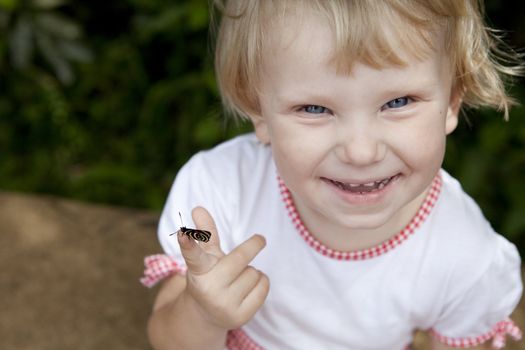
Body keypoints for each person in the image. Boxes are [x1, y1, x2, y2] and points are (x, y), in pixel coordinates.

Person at [141, 1, 524, 349]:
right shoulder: (215, 194)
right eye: (314, 109)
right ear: (258, 111)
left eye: (398, 102)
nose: (361, 152)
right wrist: (203, 310)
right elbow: (169, 339)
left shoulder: (468, 257)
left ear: (452, 102)